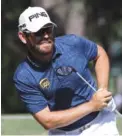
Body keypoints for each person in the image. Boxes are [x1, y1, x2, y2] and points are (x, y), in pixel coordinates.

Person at [13, 6, 119, 136]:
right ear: (23, 37)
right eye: (38, 32)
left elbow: (99, 53)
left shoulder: (73, 43)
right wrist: (92, 105)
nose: (46, 35)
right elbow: (47, 121)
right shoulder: (23, 76)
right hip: (62, 132)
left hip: (100, 124)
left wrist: (102, 89)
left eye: (48, 29)